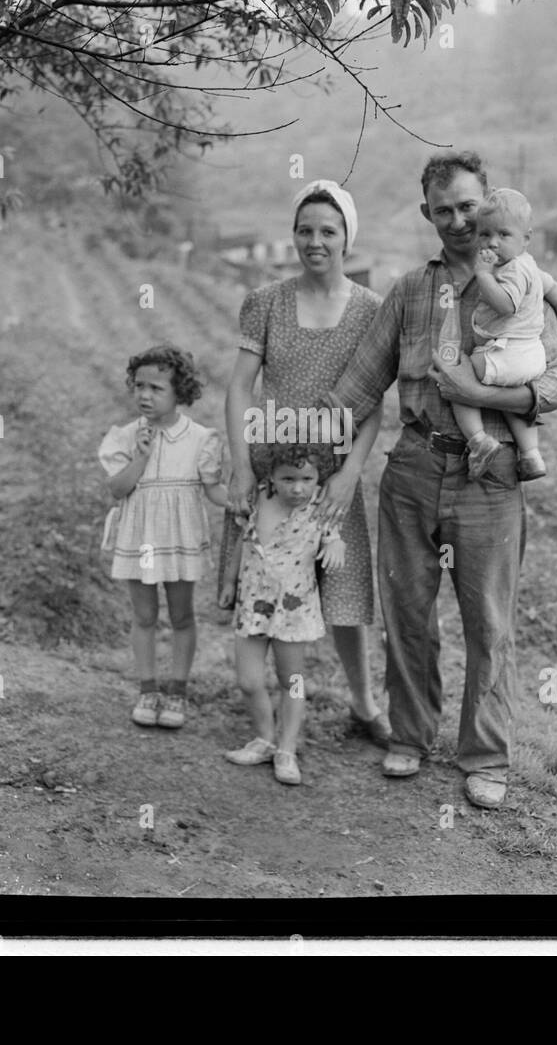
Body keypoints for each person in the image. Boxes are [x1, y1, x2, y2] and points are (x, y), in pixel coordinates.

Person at [326, 151, 557, 809]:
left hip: (489, 476)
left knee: (488, 622)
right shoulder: (410, 292)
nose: (461, 221)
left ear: (489, 202)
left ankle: (486, 757)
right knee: (407, 612)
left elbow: (554, 386)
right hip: (412, 467)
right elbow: (357, 386)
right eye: (445, 210)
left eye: (470, 206)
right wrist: (283, 440)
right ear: (427, 215)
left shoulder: (525, 283)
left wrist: (480, 392)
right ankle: (409, 735)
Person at [224, 179, 390, 745]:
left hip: (334, 475)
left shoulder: (370, 311)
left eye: (328, 230)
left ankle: (365, 706)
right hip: (275, 472)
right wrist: (244, 464)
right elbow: (240, 387)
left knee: (342, 594)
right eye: (305, 230)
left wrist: (350, 474)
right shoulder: (267, 302)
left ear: (347, 237)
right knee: (266, 584)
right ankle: (269, 716)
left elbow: (372, 407)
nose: (315, 241)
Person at [98, 345, 229, 729]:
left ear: (180, 392)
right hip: (141, 538)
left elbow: (214, 490)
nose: (144, 395)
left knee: (182, 615)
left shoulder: (201, 438)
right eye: (139, 386)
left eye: (156, 388)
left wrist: (240, 501)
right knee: (144, 615)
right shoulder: (124, 436)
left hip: (179, 536)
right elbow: (118, 489)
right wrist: (140, 456)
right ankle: (147, 689)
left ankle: (177, 692)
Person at [220, 443, 345, 786]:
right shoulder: (259, 498)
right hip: (253, 603)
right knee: (248, 680)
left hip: (293, 607)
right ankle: (264, 738)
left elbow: (334, 538)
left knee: (293, 681)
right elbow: (244, 542)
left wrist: (335, 545)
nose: (298, 487)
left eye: (306, 478)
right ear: (272, 477)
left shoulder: (320, 506)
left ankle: (286, 748)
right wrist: (229, 582)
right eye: (289, 479)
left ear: (318, 478)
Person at [448, 188, 557, 480]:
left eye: (503, 235)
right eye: (485, 235)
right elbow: (553, 288)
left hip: (507, 351)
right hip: (530, 358)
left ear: (526, 239)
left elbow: (506, 306)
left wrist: (483, 274)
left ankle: (478, 440)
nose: (492, 243)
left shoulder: (510, 271)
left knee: (458, 378)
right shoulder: (531, 266)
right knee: (509, 400)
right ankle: (531, 455)